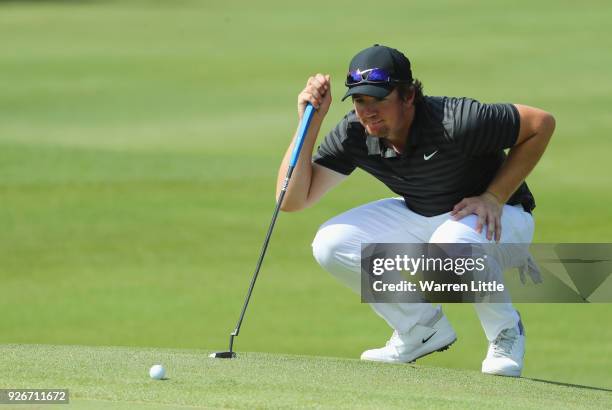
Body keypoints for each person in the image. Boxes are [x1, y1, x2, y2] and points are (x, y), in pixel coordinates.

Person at [275, 44, 555, 377]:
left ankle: (506, 332)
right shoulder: (355, 133)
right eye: (361, 100)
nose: (368, 111)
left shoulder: (457, 121)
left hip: (502, 218)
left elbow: (541, 124)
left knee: (452, 242)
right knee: (331, 243)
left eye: (379, 99)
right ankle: (420, 328)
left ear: (408, 96)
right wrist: (310, 122)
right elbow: (291, 199)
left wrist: (493, 196)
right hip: (430, 215)